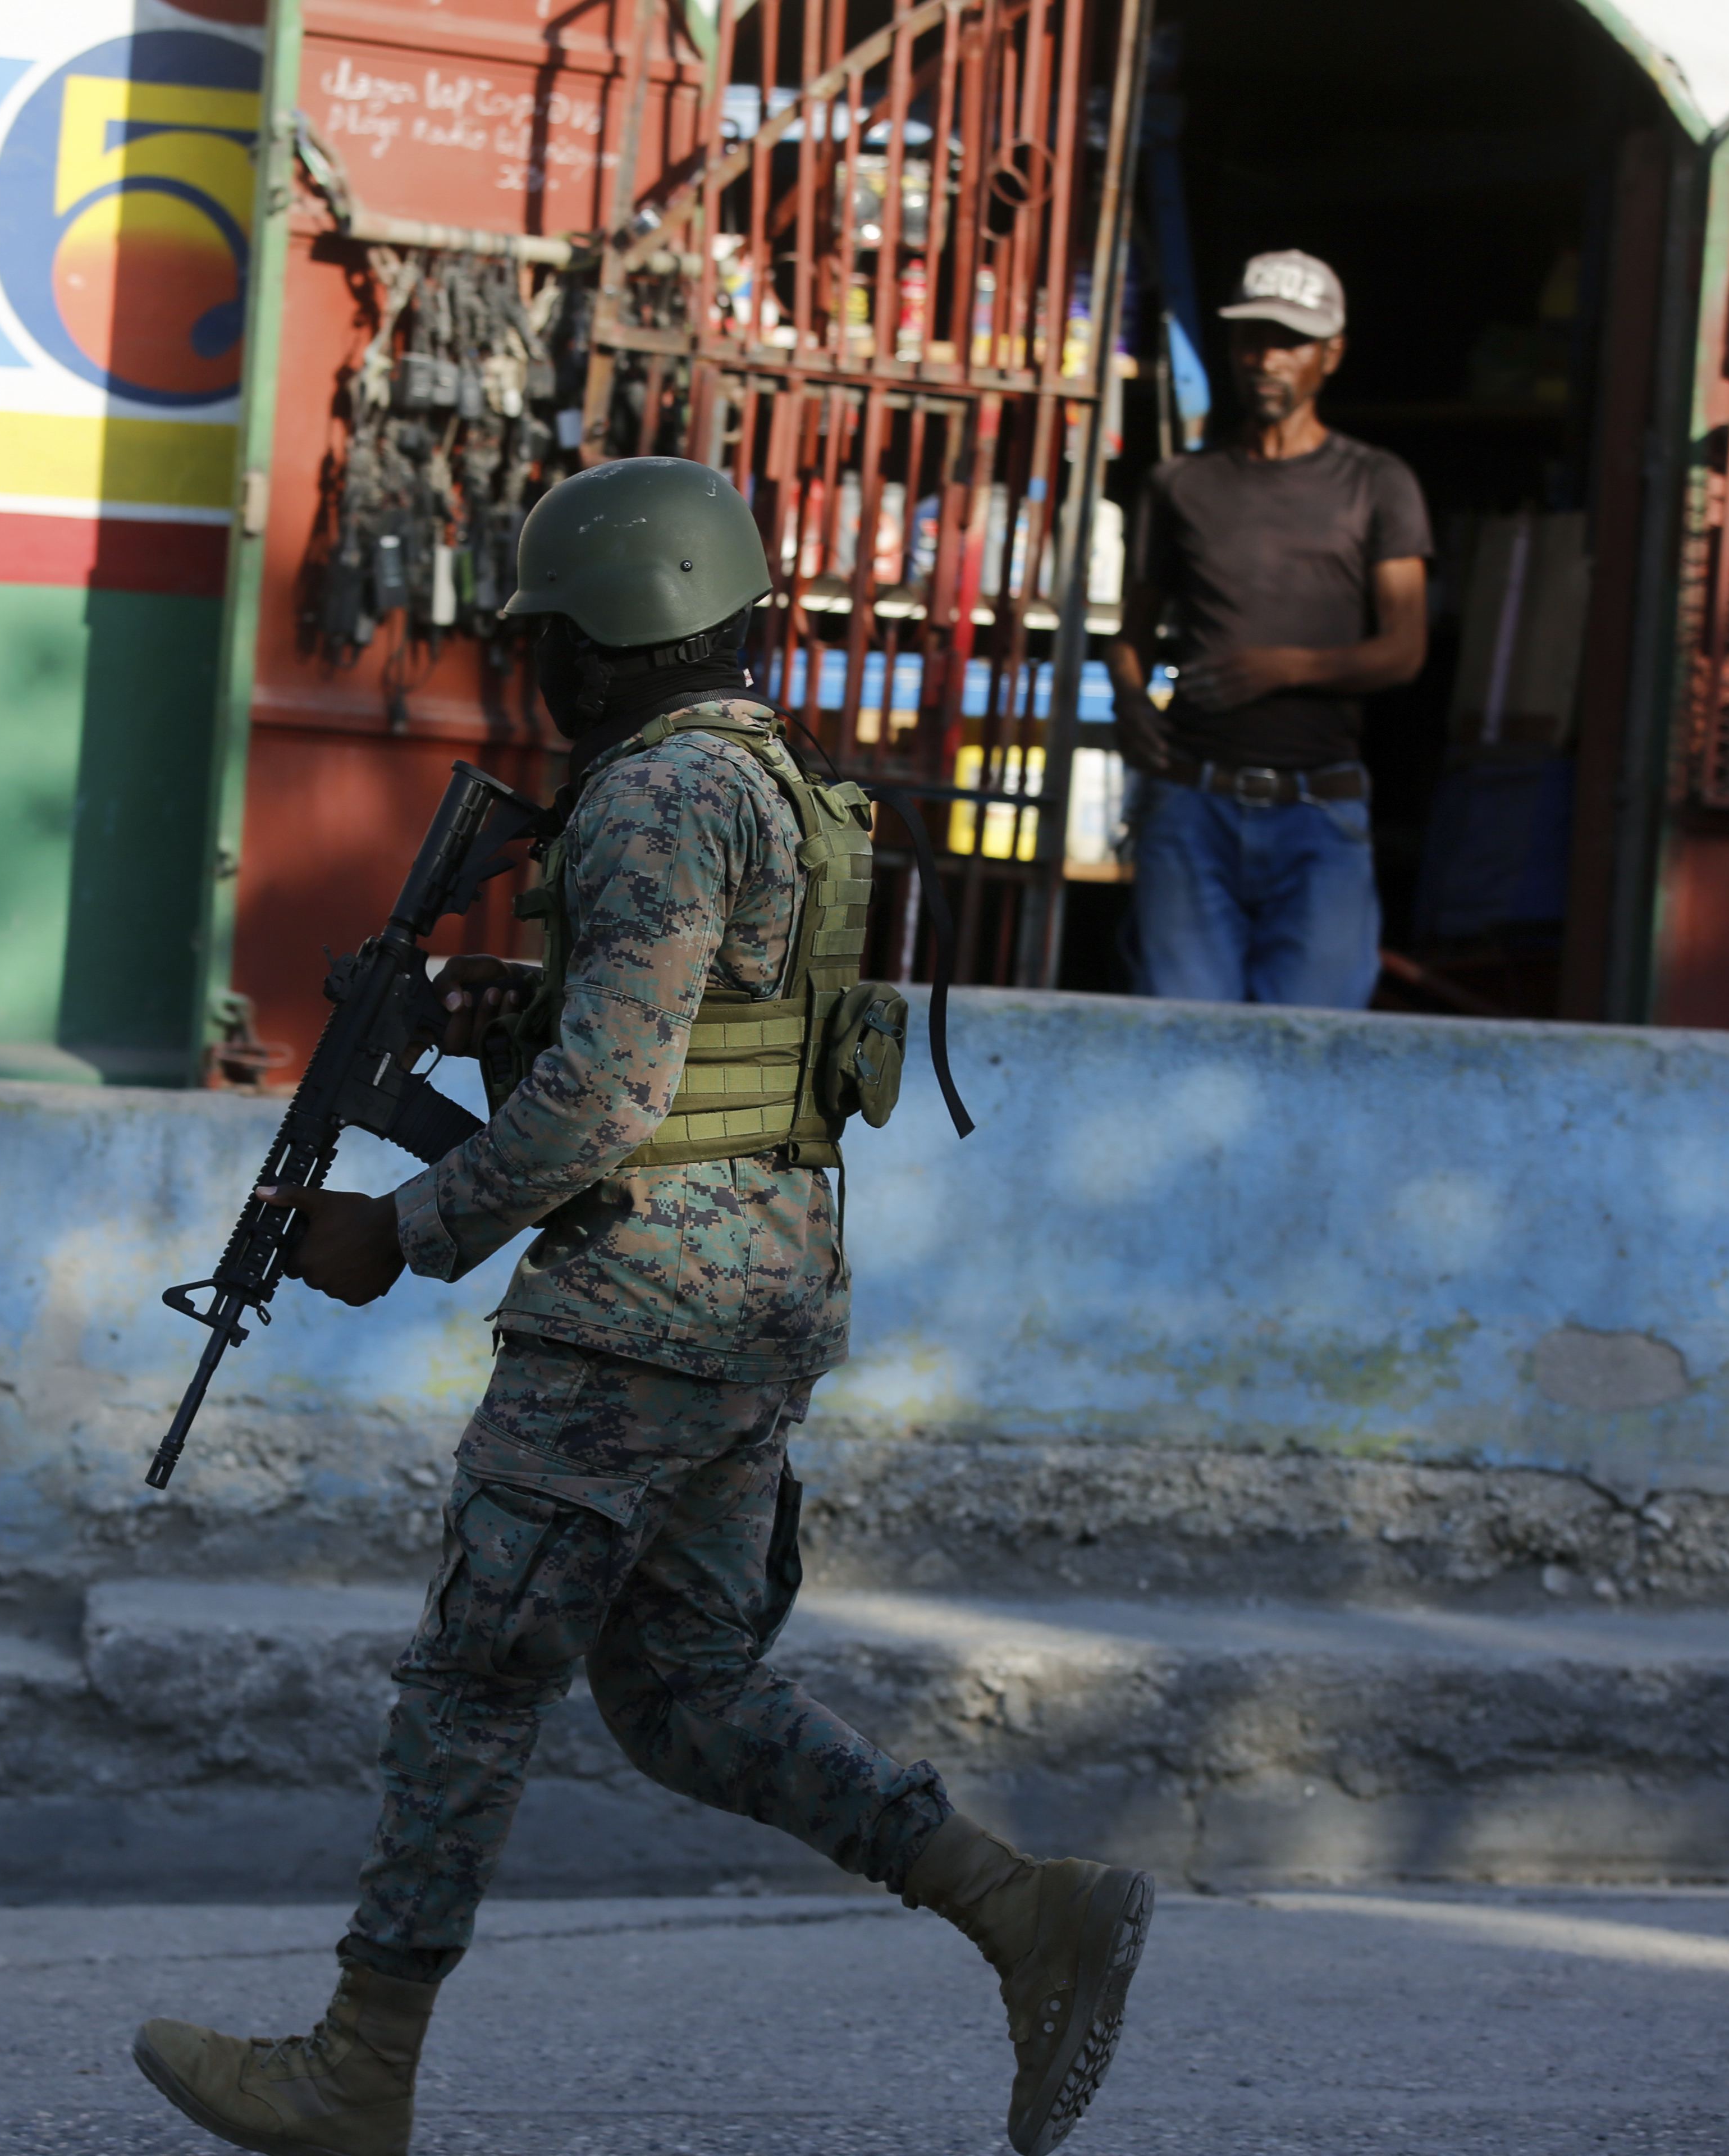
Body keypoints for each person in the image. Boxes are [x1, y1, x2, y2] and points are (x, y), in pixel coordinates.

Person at [131, 456, 1153, 2156]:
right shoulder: (763, 783)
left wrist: (401, 1230)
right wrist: (503, 1013)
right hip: (755, 1298)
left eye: (549, 638)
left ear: (610, 638)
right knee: (683, 1692)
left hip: (637, 1312)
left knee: (475, 1675)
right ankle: (1023, 1910)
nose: (536, 672)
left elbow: (610, 1107)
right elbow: (693, 1039)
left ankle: (355, 2073)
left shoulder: (650, 797)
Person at [1103, 248, 1430, 1008]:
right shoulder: (1181, 484)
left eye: (1289, 342)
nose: (1266, 359)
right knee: (1184, 1045)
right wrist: (1129, 703)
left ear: (1331, 354)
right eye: (1252, 339)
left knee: (1310, 1051)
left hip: (1320, 817)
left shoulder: (1377, 483)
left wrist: (1286, 668)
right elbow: (1133, 634)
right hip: (1191, 808)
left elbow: (1404, 650)